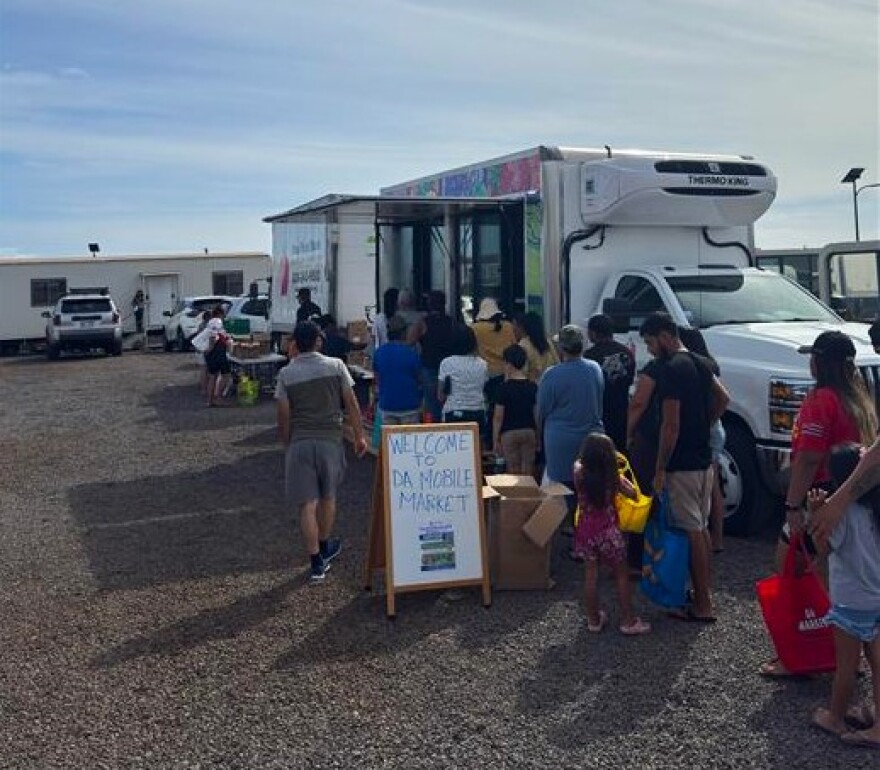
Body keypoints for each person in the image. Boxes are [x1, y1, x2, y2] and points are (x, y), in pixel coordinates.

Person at [761, 330, 878, 677]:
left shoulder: (821, 400)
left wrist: (792, 506)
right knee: (838, 576)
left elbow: (809, 458)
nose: (809, 362)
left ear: (821, 363)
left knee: (789, 568)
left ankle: (799, 652)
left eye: (813, 357)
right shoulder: (860, 399)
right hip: (855, 496)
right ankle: (848, 653)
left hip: (821, 496)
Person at [639, 313, 729, 623]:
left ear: (664, 336)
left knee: (691, 530)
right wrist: (706, 422)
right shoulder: (701, 362)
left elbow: (670, 424)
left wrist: (661, 467)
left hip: (682, 465)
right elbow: (723, 397)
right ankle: (705, 594)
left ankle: (703, 604)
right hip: (703, 459)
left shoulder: (672, 371)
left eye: (650, 343)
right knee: (700, 527)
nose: (650, 350)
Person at [275, 320, 368, 583]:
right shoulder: (336, 366)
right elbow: (351, 404)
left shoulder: (286, 374)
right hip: (330, 439)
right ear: (318, 340)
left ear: (295, 343)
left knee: (307, 504)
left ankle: (316, 561)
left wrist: (287, 443)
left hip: (300, 442)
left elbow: (283, 415)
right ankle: (325, 544)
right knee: (328, 496)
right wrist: (359, 436)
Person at [808, 443, 880, 746]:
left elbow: (824, 547)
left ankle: (835, 717)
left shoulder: (839, 514)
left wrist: (815, 512)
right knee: (877, 666)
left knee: (847, 667)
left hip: (850, 603)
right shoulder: (876, 510)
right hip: (878, 600)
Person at [572, 432, 652, 635]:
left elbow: (579, 464)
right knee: (621, 574)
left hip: (585, 530)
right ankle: (628, 621)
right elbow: (633, 493)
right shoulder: (613, 477)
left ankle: (593, 619)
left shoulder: (578, 472)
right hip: (609, 532)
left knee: (591, 575)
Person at [537, 324, 604, 498]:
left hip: (560, 441)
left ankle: (566, 523)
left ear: (561, 348)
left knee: (562, 492)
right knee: (589, 488)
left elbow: (542, 409)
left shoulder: (551, 375)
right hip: (591, 438)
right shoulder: (594, 368)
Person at [677, 326, 727, 554]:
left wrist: (706, 421)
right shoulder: (710, 364)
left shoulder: (692, 367)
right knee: (711, 486)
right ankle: (715, 537)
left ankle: (714, 538)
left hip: (709, 429)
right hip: (716, 427)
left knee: (712, 488)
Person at [584, 313, 635, 451]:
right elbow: (630, 381)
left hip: (599, 414)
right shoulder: (627, 353)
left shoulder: (589, 356)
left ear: (593, 333)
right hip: (622, 411)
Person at [472, 297, 517, 447]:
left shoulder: (476, 329)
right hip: (505, 372)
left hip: (485, 373)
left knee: (489, 409)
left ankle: (489, 440)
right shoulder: (508, 326)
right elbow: (514, 346)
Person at [408, 290, 454, 422]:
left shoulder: (423, 322)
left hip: (429, 366)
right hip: (448, 366)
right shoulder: (451, 322)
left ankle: (433, 426)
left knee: (431, 401)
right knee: (447, 398)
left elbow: (410, 342)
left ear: (429, 304)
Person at [492, 344, 538, 476]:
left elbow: (498, 417)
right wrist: (538, 433)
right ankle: (529, 495)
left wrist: (496, 439)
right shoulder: (532, 386)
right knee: (528, 469)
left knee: (513, 471)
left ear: (508, 363)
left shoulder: (503, 388)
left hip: (509, 432)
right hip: (529, 431)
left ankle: (516, 496)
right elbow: (536, 413)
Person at [437, 324, 488, 434]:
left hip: (453, 412)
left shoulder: (446, 363)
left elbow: (440, 395)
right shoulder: (482, 364)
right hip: (477, 411)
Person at [372, 314, 422, 425]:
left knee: (390, 440)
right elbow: (419, 379)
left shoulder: (379, 353)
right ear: (403, 333)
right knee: (410, 441)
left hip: (387, 405)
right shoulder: (412, 353)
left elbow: (377, 379)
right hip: (410, 406)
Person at [514, 311, 559, 384]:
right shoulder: (547, 342)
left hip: (533, 386)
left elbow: (522, 371)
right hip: (550, 383)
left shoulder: (523, 345)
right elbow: (557, 363)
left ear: (523, 327)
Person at [204, 307, 233, 407]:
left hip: (212, 353)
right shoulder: (217, 321)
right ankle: (218, 398)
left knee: (213, 376)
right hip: (217, 352)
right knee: (226, 375)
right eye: (223, 314)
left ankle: (210, 400)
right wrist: (210, 348)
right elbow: (213, 335)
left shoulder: (210, 322)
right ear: (220, 314)